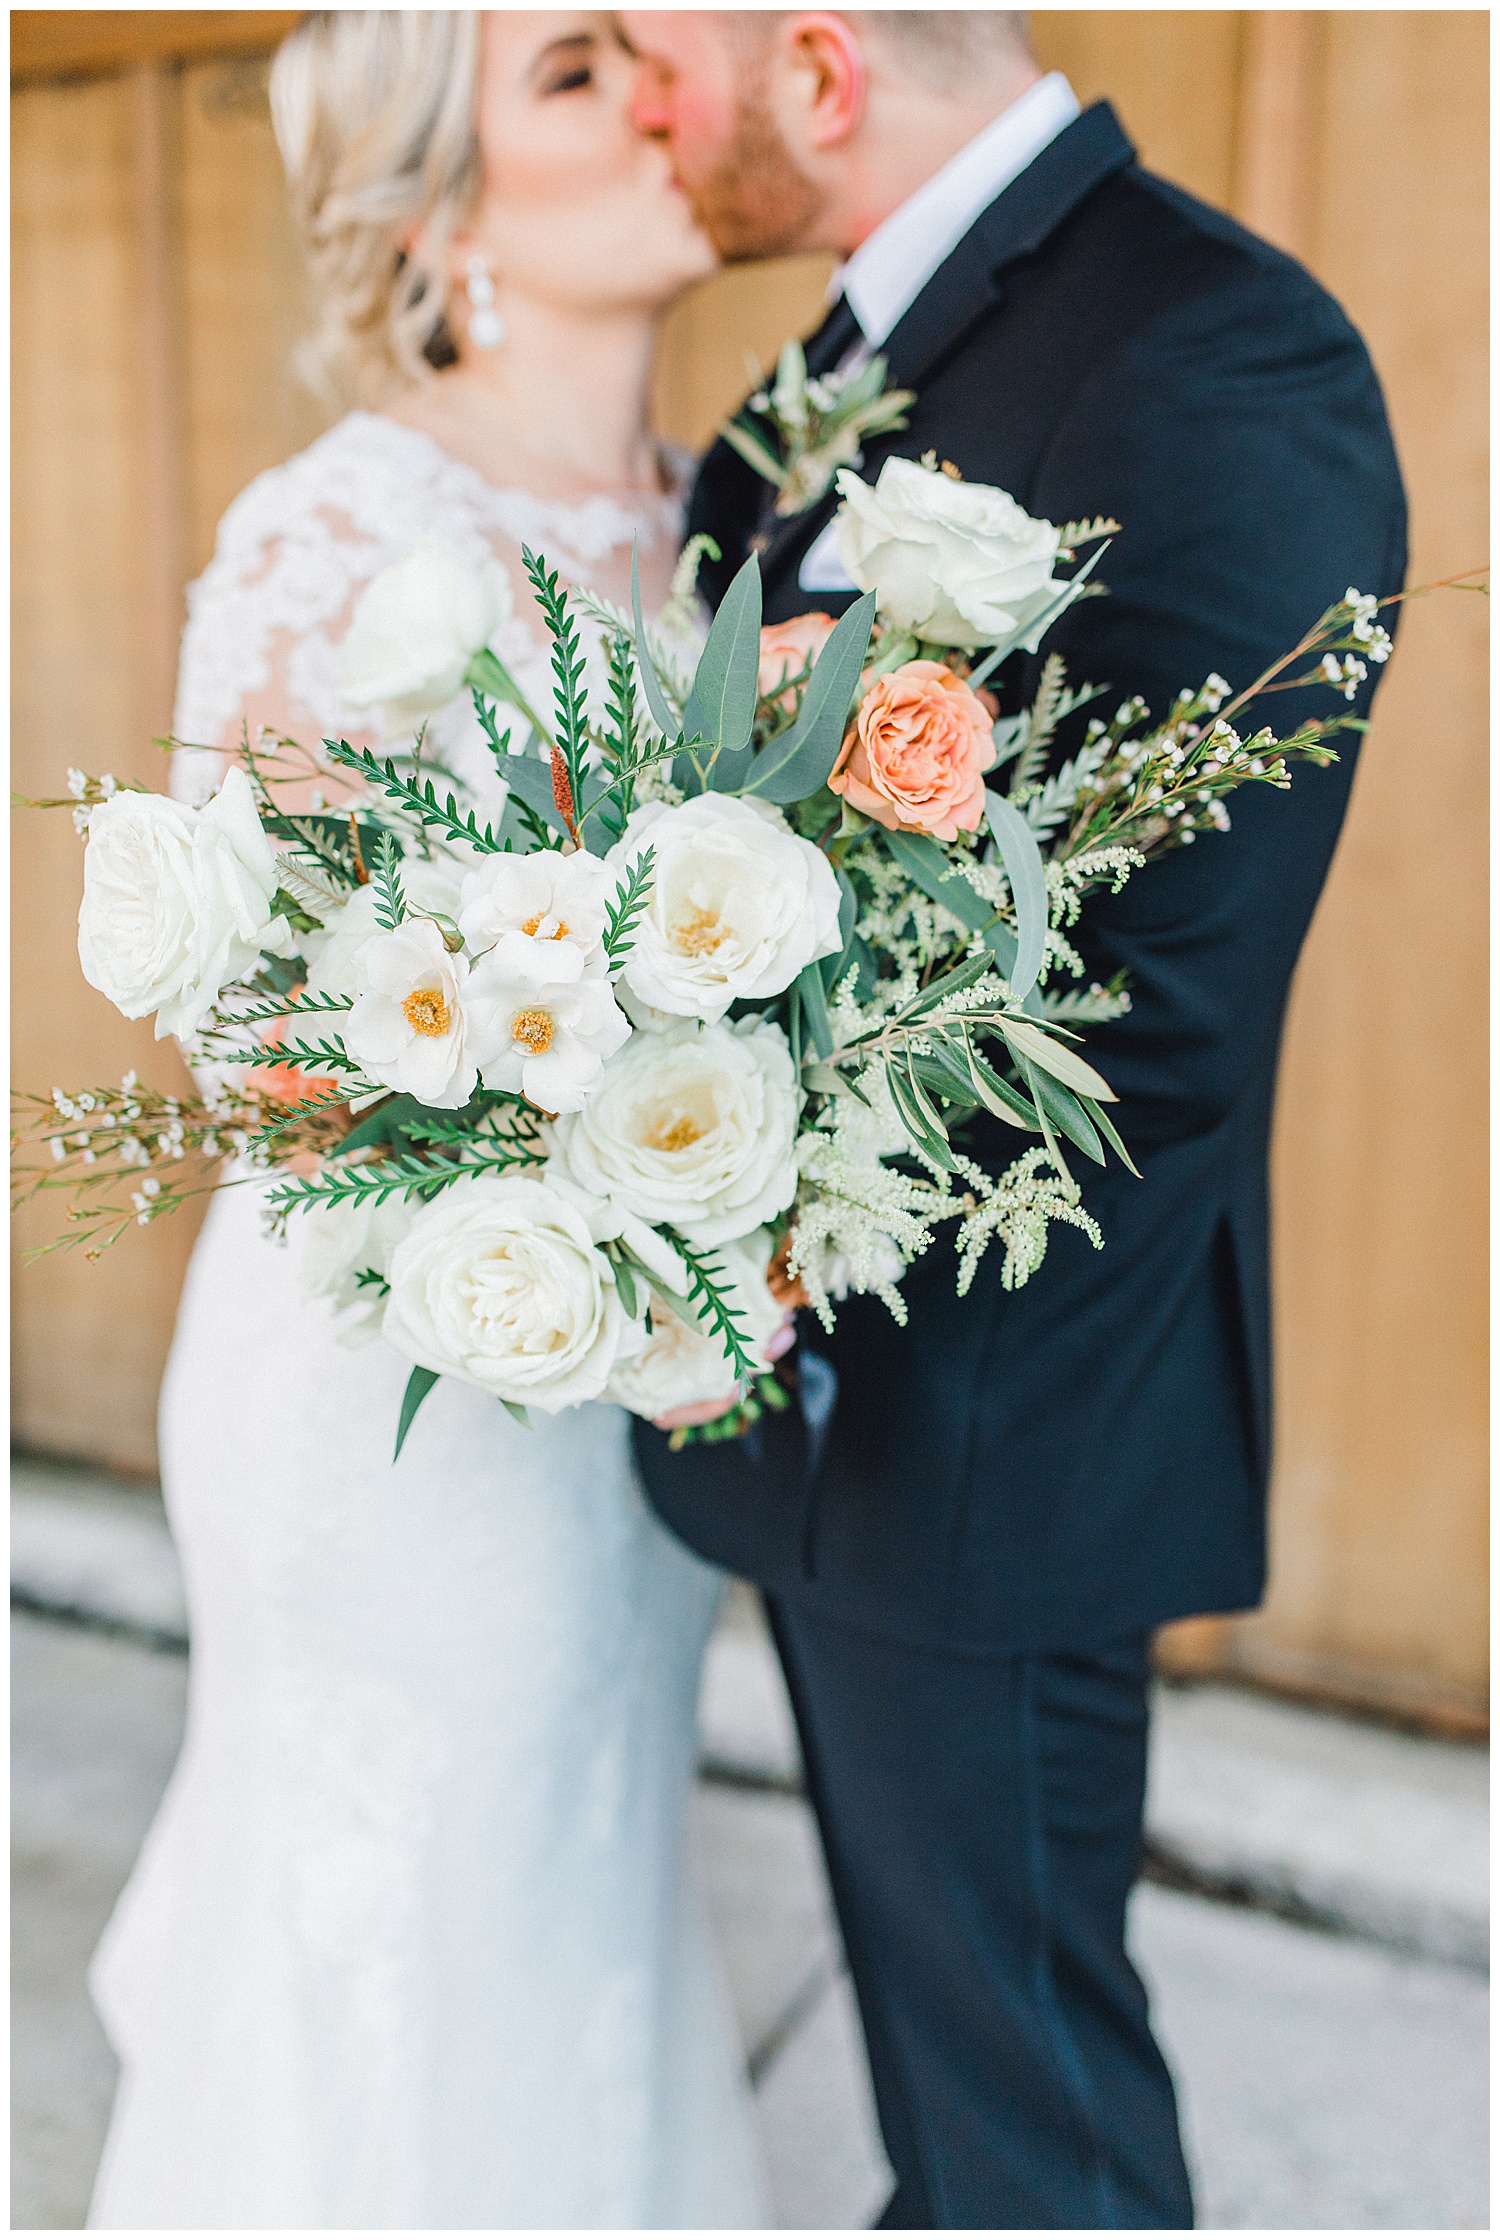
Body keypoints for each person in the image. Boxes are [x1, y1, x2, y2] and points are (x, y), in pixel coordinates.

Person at [621, 10, 1408, 2229]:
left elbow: (1158, 1007)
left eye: (645, 58)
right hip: (811, 1407)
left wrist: (743, 1216)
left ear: (814, 61)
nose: (646, 113)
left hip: (1003, 1424)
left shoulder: (1214, 348)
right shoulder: (827, 376)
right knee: (953, 2103)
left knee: (1031, 2135)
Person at [86, 13, 770, 2228]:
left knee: (578, 1895)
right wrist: (561, 1096)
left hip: (640, 1401)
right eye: (577, 72)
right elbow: (272, 1043)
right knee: (387, 1924)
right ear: (440, 206)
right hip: (391, 1403)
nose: (666, 92)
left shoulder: (746, 531)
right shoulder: (340, 535)